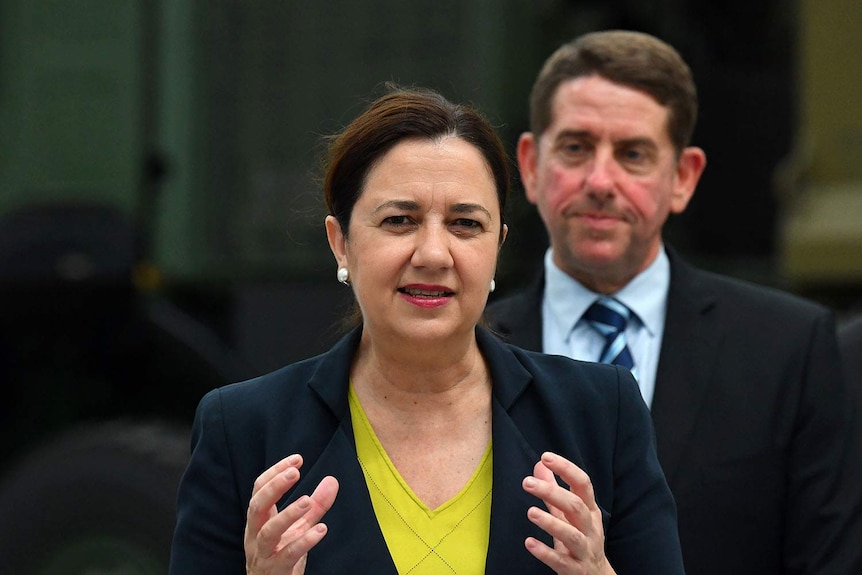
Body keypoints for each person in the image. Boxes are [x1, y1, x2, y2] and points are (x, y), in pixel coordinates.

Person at [168, 86, 685, 574]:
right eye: (399, 220)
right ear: (340, 241)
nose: (434, 254)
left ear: (497, 246)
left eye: (465, 224)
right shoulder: (242, 429)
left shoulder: (600, 411)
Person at [486, 30, 862, 575]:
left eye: (633, 154)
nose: (600, 180)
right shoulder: (466, 345)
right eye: (575, 147)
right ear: (530, 165)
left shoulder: (788, 350)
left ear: (683, 178)